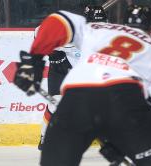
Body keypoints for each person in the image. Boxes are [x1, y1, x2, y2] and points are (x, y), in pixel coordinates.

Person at [14, 4, 151, 165]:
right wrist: (122, 142)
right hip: (125, 98)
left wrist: (34, 58)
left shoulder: (99, 29)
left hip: (76, 99)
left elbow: (58, 20)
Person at [38, 5, 108, 150]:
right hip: (62, 70)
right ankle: (45, 137)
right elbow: (39, 31)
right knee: (55, 102)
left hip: (84, 73)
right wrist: (55, 54)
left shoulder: (109, 36)